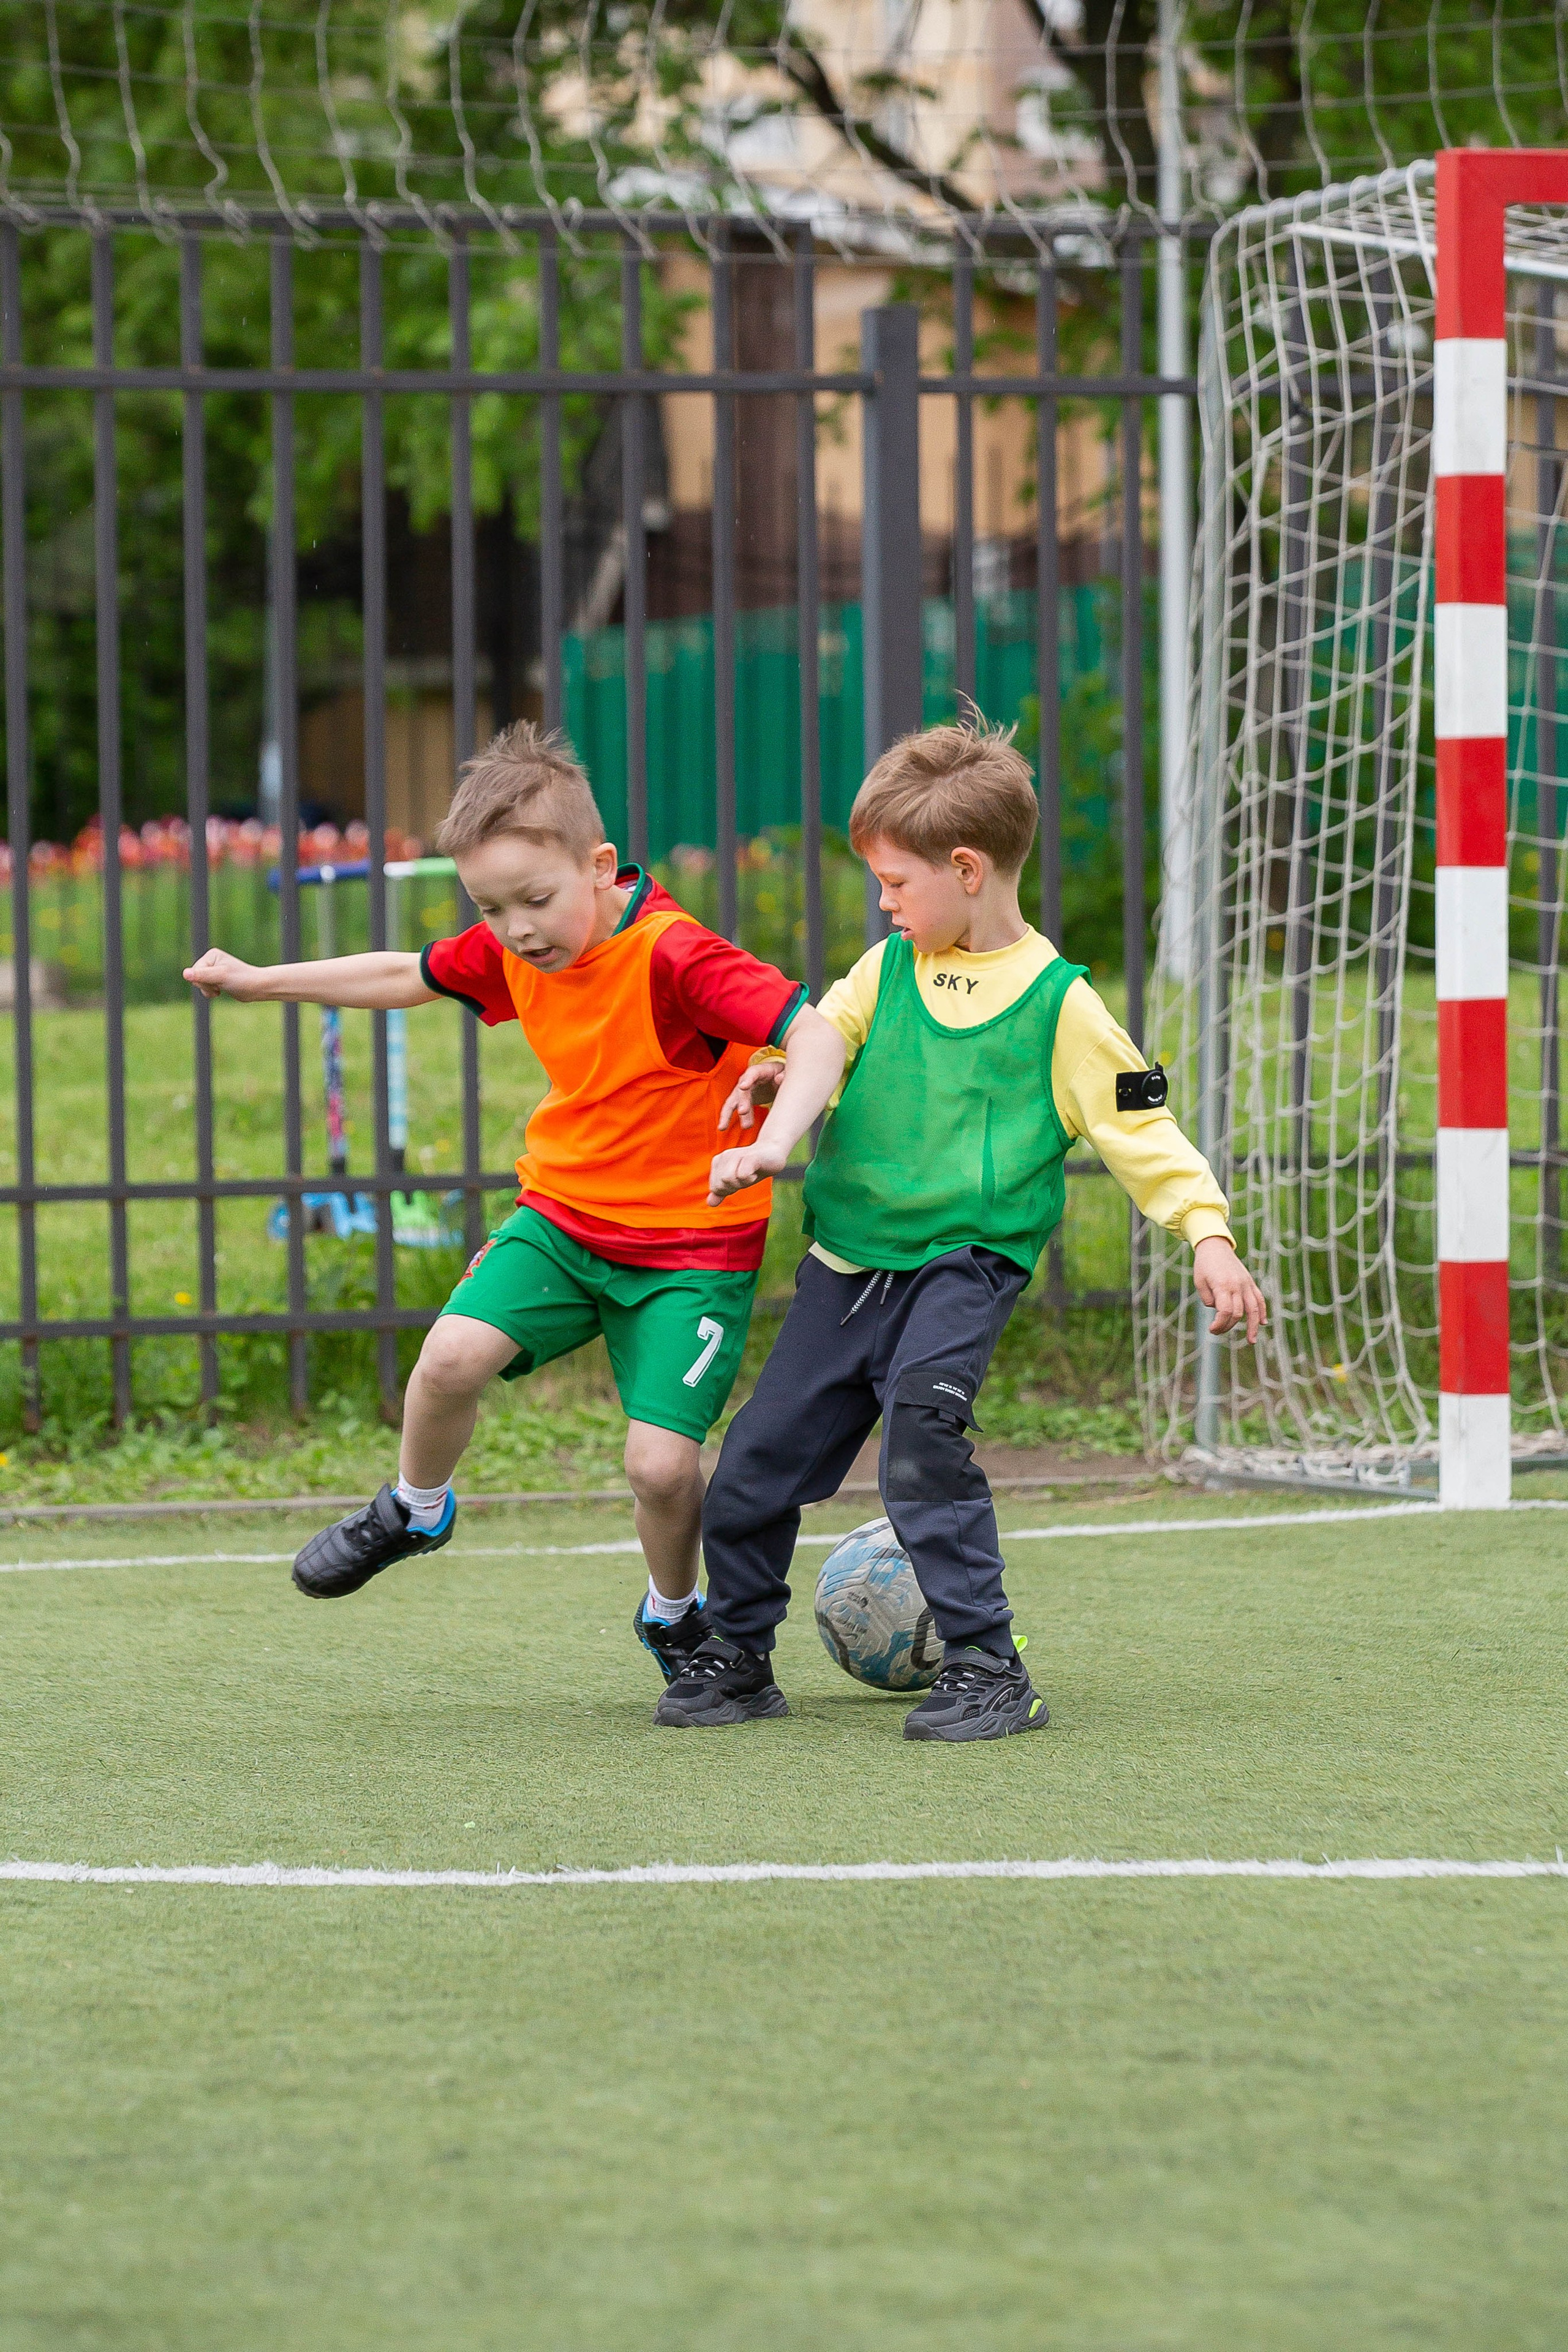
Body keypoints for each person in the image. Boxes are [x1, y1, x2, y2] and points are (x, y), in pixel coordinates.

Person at [183, 722, 843, 1681]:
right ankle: (415, 1508)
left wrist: (774, 1145)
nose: (516, 930)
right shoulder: (513, 951)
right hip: (564, 1219)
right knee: (449, 1359)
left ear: (600, 867)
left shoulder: (675, 958)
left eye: (534, 900)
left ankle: (673, 1617)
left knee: (660, 1470)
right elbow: (403, 973)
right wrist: (258, 981)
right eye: (491, 910)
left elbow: (814, 1032)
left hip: (691, 1248)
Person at [655, 718, 1267, 1742]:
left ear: (968, 870)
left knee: (922, 1440)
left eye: (896, 883)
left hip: (963, 1265)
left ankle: (988, 1667)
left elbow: (1140, 1126)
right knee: (754, 1462)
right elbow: (826, 1047)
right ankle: (738, 1656)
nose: (883, 903)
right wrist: (779, 1088)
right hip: (847, 1266)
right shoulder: (880, 971)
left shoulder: (1063, 1005)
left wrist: (1208, 1232)